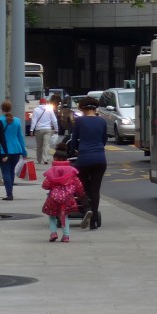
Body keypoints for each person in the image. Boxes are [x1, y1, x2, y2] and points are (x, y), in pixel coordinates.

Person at [71, 95, 108, 229]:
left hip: (84, 158)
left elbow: (74, 140)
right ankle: (93, 222)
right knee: (95, 190)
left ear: (83, 109)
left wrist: (73, 151)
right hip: (100, 159)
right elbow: (104, 140)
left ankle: (86, 210)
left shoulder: (80, 121)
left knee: (81, 187)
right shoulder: (102, 121)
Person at [41, 146, 87, 242]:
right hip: (67, 197)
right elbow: (78, 184)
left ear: (55, 159)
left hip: (53, 197)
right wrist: (81, 194)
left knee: (52, 215)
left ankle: (53, 233)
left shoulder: (52, 170)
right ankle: (66, 235)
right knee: (65, 215)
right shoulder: (71, 170)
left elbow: (46, 185)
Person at [0, 99, 28, 201]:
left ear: (2, 109)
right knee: (11, 171)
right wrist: (24, 151)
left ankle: (9, 194)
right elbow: (20, 136)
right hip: (16, 149)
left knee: (5, 172)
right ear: (11, 109)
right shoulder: (17, 120)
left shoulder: (0, 120)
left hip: (3, 150)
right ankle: (10, 191)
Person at [30, 95, 58, 166]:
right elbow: (54, 120)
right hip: (47, 129)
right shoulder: (49, 109)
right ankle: (45, 159)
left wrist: (31, 130)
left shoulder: (36, 110)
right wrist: (56, 129)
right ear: (45, 103)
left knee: (39, 145)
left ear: (39, 103)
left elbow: (34, 121)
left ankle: (39, 159)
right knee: (46, 145)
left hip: (38, 129)